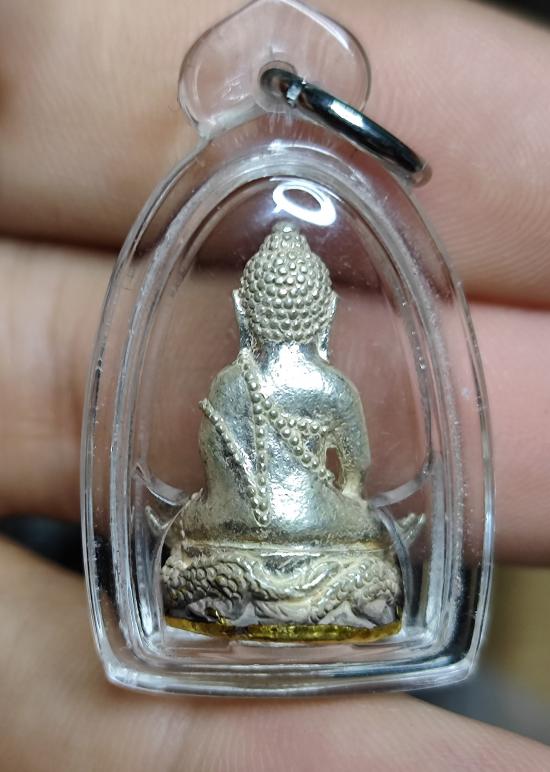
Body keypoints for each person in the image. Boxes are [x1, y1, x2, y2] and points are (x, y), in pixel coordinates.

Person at [0, 0, 549, 768]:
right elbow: (353, 480)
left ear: (241, 312)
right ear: (324, 314)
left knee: (187, 533)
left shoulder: (231, 383)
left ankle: (234, 591)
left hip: (225, 550)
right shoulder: (333, 390)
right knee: (371, 539)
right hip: (331, 552)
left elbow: (214, 478)